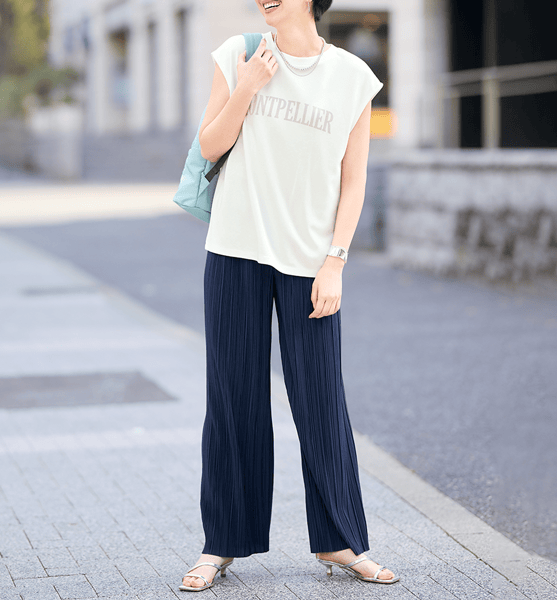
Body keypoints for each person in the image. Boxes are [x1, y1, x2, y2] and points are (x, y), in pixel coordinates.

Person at [180, 0, 399, 591]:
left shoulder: (352, 76)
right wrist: (248, 86)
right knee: (233, 400)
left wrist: (336, 262)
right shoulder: (239, 54)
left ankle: (340, 540)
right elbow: (209, 145)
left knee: (321, 401)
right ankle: (220, 543)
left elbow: (353, 180)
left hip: (311, 264)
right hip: (235, 250)